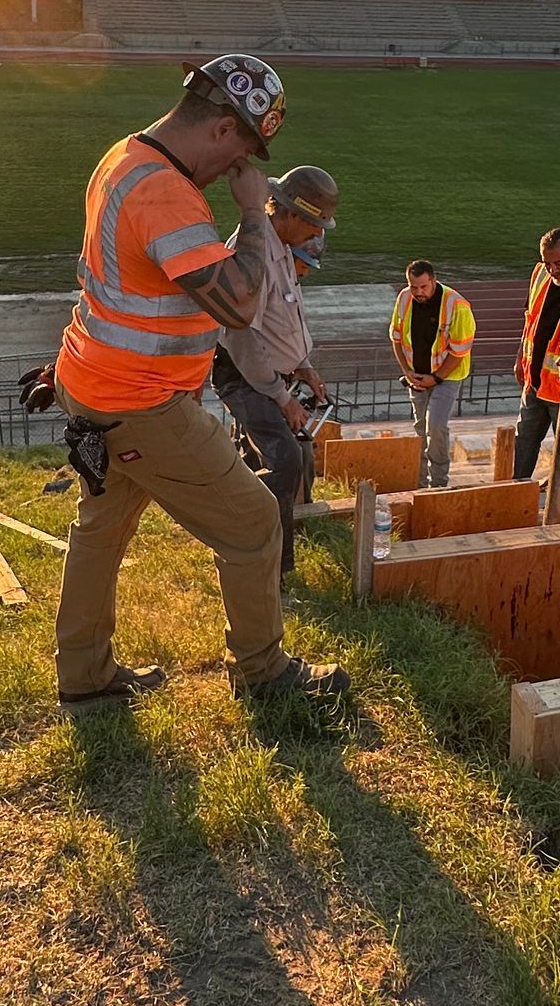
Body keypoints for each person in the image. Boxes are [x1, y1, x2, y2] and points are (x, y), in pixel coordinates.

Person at [43, 55, 351, 708]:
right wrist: (255, 211)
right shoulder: (165, 193)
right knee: (253, 519)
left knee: (100, 529)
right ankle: (265, 674)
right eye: (244, 149)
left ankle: (85, 674)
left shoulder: (123, 158)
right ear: (221, 130)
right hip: (142, 402)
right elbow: (237, 304)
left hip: (96, 382)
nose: (239, 167)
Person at [212, 165, 339, 575]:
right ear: (292, 214)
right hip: (246, 377)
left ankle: (264, 548)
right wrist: (282, 398)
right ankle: (257, 553)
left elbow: (280, 321)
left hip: (270, 376)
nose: (317, 235)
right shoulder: (253, 252)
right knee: (284, 460)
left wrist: (303, 367)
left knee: (274, 458)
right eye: (315, 225)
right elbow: (242, 338)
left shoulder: (282, 246)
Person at [387, 262, 475, 488]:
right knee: (420, 428)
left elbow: (459, 352)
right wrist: (407, 372)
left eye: (423, 287)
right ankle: (419, 483)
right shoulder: (405, 298)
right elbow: (396, 338)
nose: (418, 293)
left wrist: (435, 378)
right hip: (416, 376)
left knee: (435, 426)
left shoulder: (457, 306)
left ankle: (438, 482)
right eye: (413, 287)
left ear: (434, 281)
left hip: (447, 375)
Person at [512, 227, 560, 478]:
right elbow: (530, 319)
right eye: (547, 262)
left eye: (559, 263)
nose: (552, 270)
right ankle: (518, 489)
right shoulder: (540, 275)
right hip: (535, 380)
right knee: (524, 438)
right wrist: (520, 356)